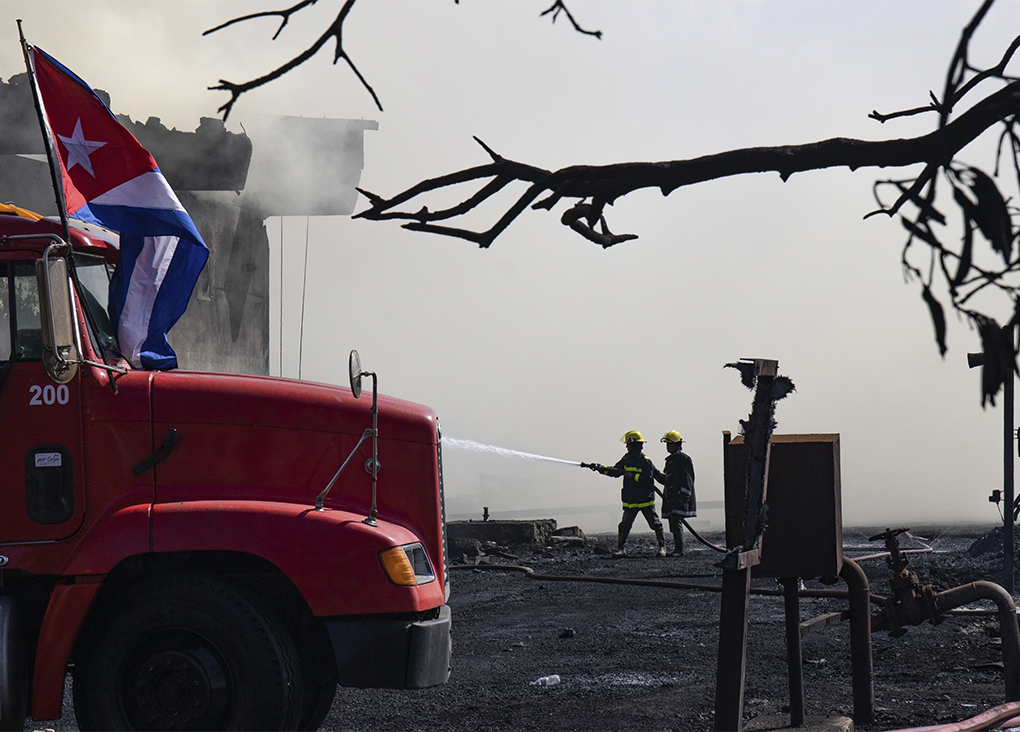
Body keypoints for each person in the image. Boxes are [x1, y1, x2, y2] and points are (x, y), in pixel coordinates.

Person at [587, 431, 666, 557]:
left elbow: (647, 479)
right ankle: (621, 549)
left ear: (634, 445)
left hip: (645, 499)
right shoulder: (626, 459)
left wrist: (632, 476)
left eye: (628, 444)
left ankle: (662, 548)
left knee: (655, 524)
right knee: (624, 525)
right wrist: (600, 468)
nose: (626, 447)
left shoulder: (645, 461)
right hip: (631, 499)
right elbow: (616, 471)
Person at [656, 430, 696, 556]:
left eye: (670, 444)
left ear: (677, 445)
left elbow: (688, 480)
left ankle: (679, 550)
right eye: (667, 444)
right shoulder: (670, 461)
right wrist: (655, 474)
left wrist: (684, 496)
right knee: (673, 521)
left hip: (679, 497)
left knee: (676, 521)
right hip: (671, 497)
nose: (667, 447)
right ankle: (678, 549)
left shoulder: (683, 459)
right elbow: (667, 480)